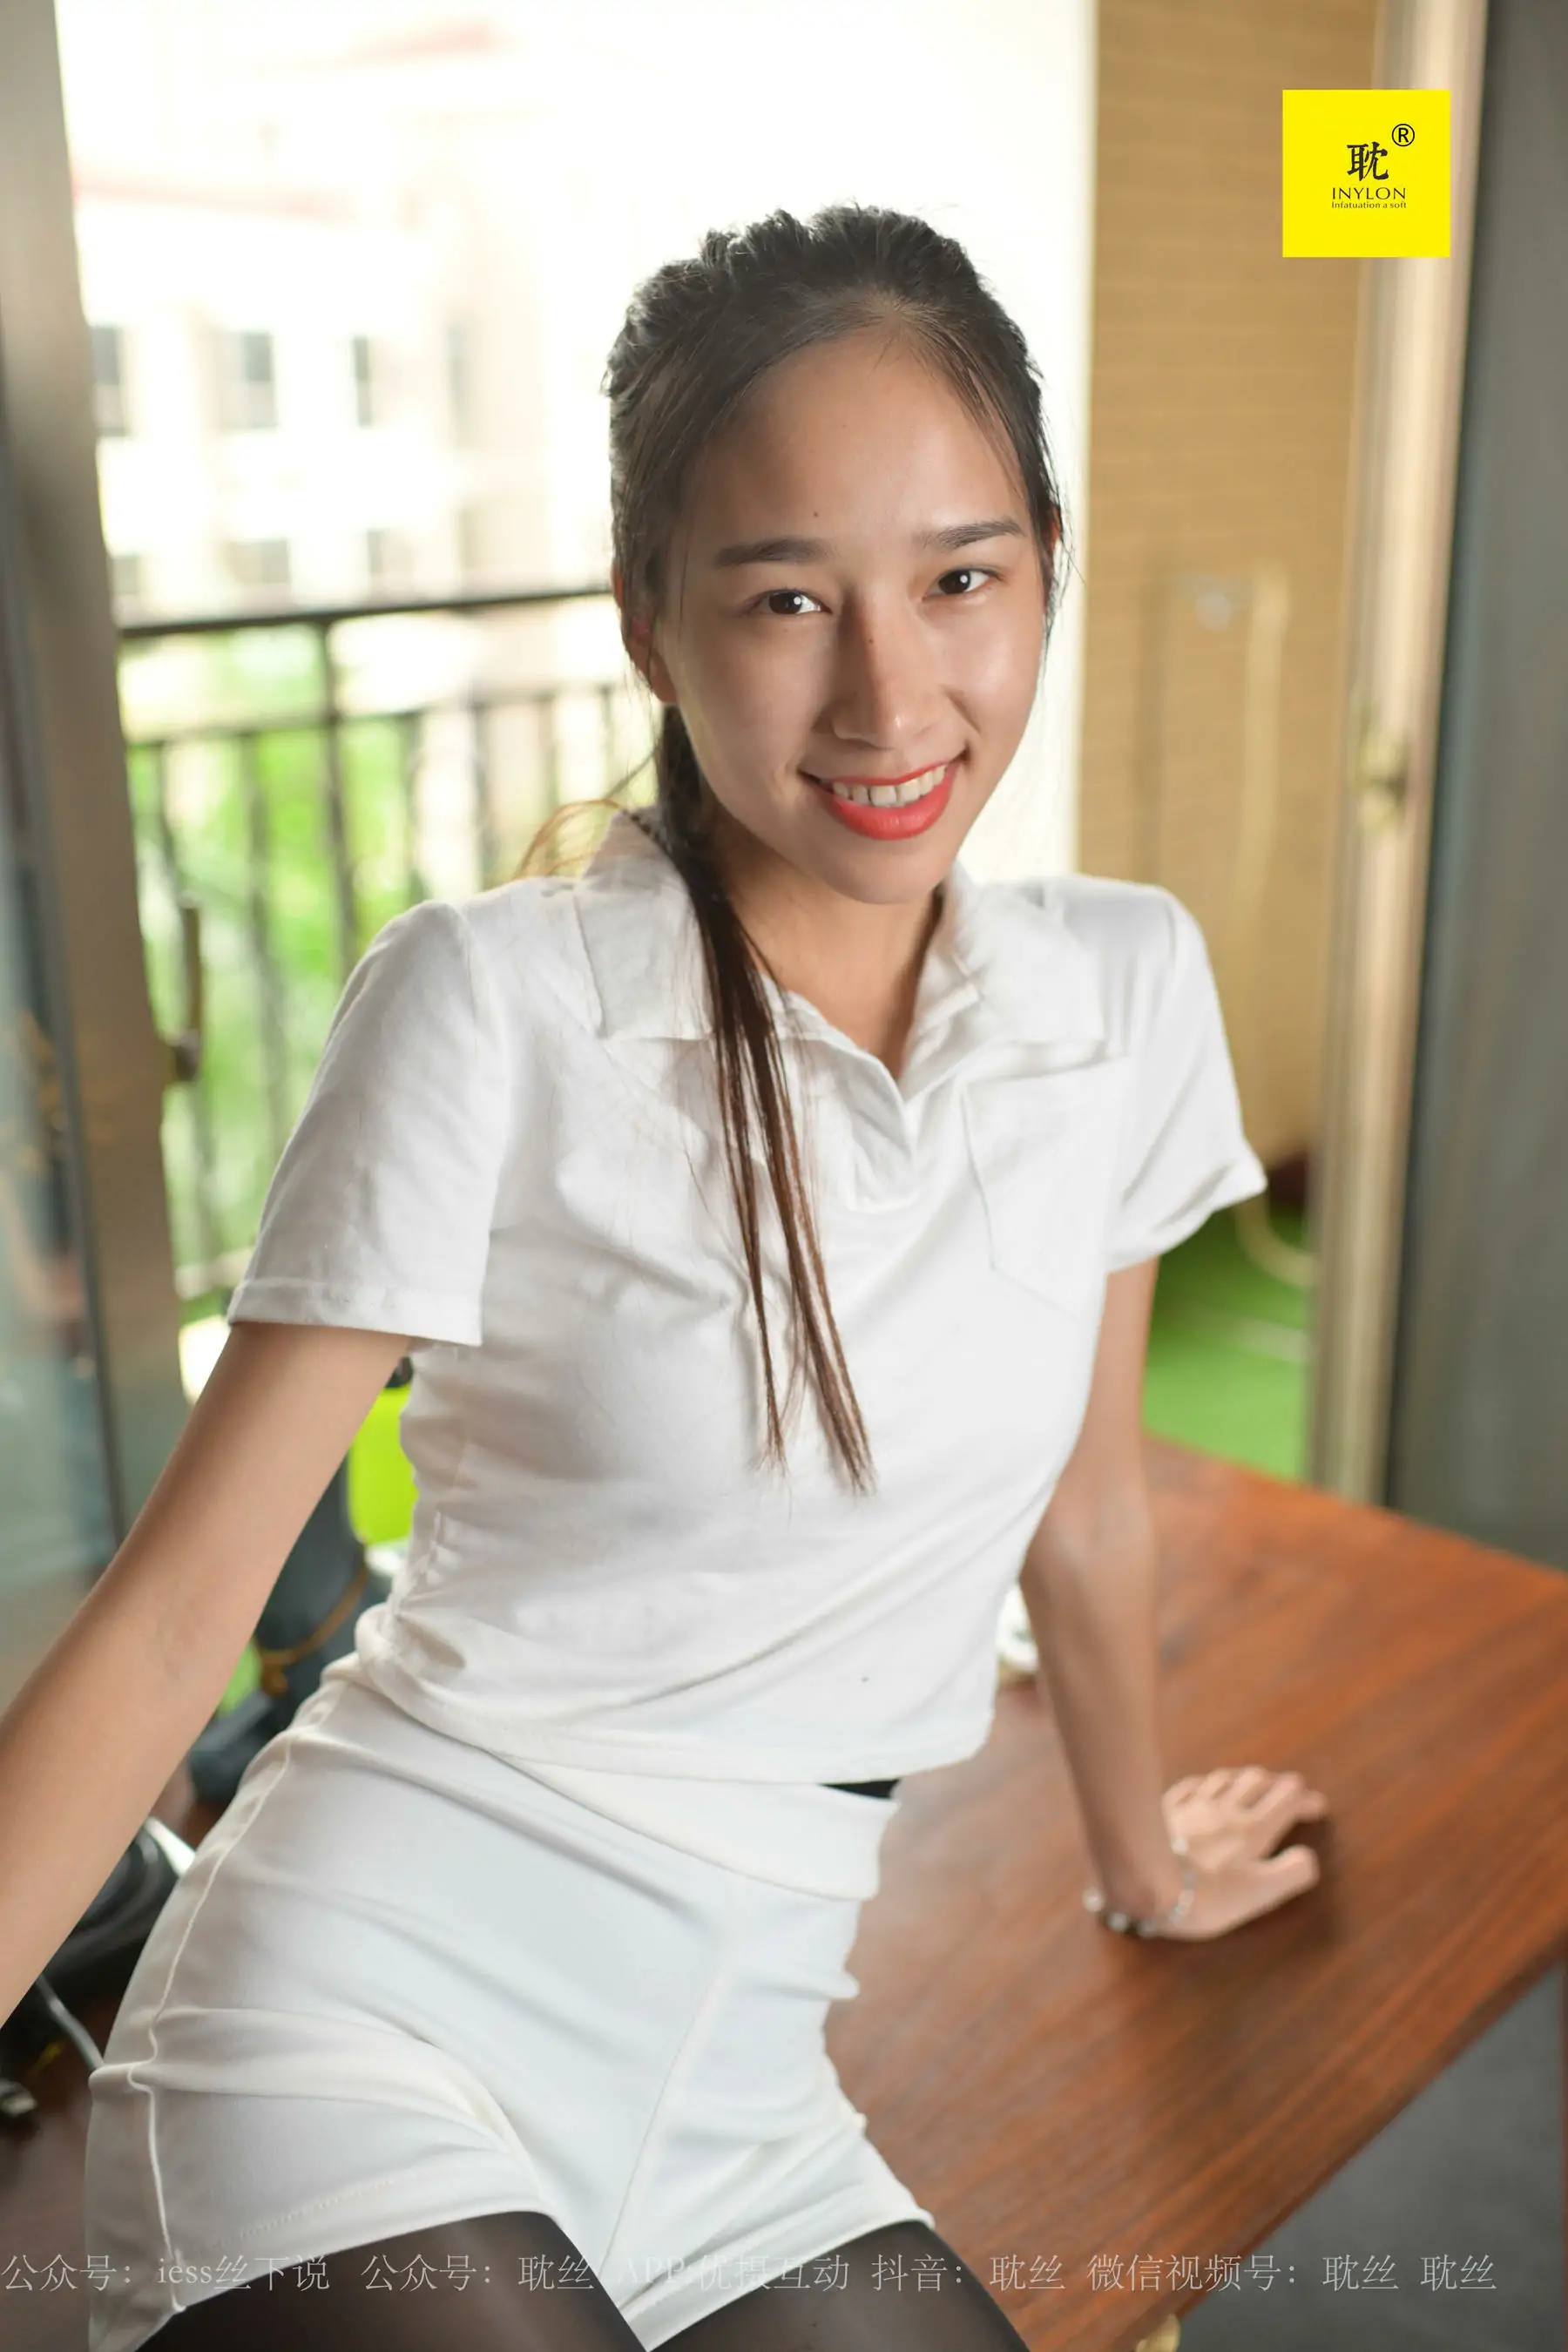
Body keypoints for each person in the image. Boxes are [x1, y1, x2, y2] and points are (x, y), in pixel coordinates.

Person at [0, 204, 1329, 2351]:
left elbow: (1085, 1511)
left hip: (745, 2094)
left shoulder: (1125, 988)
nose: (891, 695)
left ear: (1046, 571)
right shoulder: (488, 1003)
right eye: (788, 598)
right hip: (357, 2037)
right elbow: (169, 1629)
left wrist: (1146, 1867)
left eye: (963, 579)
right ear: (647, 620)